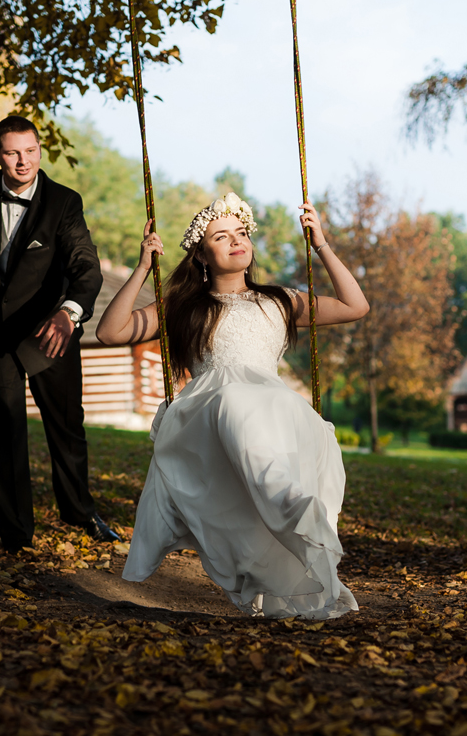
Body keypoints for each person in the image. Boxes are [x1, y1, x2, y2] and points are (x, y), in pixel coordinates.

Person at [96, 191, 369, 619]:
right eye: (221, 237)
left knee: (274, 412)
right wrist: (142, 268)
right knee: (233, 400)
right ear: (202, 255)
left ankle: (286, 530)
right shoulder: (184, 308)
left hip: (271, 406)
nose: (236, 241)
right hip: (211, 410)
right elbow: (111, 332)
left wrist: (321, 244)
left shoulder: (279, 300)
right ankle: (288, 500)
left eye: (241, 233)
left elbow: (357, 306)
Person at [0, 115, 119, 551]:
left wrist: (69, 314)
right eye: (12, 153)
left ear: (39, 151)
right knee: (4, 429)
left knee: (67, 426)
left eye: (30, 151)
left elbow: (86, 267)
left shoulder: (63, 203)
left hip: (50, 328)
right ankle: (16, 534)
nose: (22, 161)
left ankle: (79, 510)